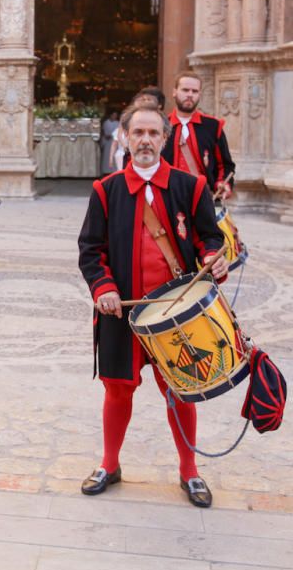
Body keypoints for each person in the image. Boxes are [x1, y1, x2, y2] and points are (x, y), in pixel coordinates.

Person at [78, 103, 228, 509]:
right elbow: (91, 251)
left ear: (165, 139)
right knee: (118, 391)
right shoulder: (105, 191)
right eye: (138, 132)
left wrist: (216, 256)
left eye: (153, 133)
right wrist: (103, 288)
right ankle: (110, 465)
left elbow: (209, 238)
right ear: (124, 137)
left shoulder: (191, 186)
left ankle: (189, 472)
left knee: (181, 392)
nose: (145, 140)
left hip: (176, 315)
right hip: (120, 315)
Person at [166, 72, 235, 200]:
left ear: (199, 95)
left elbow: (225, 165)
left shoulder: (213, 126)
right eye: (185, 90)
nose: (190, 95)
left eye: (195, 91)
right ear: (175, 92)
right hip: (168, 198)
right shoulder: (161, 126)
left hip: (202, 199)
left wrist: (222, 184)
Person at [100, 110, 119, 175]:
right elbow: (105, 133)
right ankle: (106, 170)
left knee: (114, 156)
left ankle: (114, 170)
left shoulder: (118, 123)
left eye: (116, 115)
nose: (115, 117)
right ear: (110, 115)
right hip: (108, 142)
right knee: (107, 156)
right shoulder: (106, 123)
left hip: (115, 141)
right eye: (113, 115)